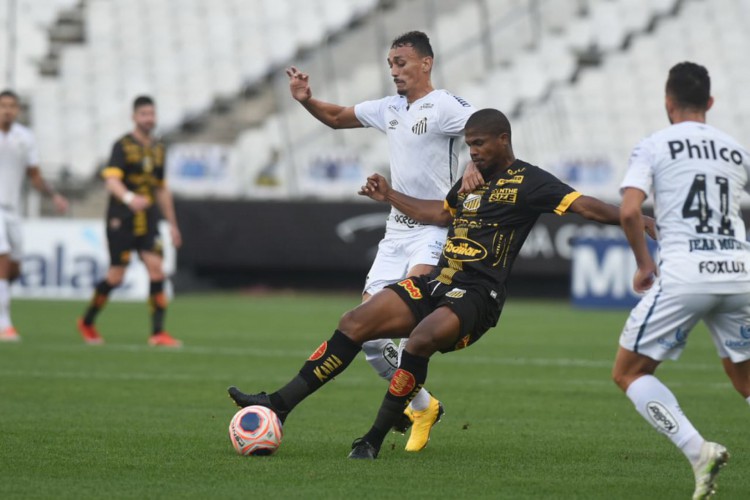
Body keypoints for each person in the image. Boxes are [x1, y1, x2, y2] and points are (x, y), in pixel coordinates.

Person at [228, 108, 654, 459]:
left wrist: (639, 217)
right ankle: (278, 405)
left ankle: (373, 439)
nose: (473, 152)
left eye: (479, 145)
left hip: (478, 296)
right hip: (437, 284)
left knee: (418, 340)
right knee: (354, 321)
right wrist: (390, 195)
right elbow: (439, 214)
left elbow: (587, 207)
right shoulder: (471, 182)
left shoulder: (530, 181)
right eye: (469, 146)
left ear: (503, 140)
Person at [286, 30, 483, 451]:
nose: (394, 70)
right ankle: (424, 406)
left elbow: (486, 125)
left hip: (432, 231)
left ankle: (381, 427)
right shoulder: (391, 108)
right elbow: (338, 116)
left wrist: (472, 162)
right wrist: (306, 100)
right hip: (395, 233)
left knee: (412, 320)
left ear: (426, 63)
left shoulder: (444, 105)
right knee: (371, 335)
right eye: (391, 64)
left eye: (402, 62)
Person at [613, 62, 750, 499]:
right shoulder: (735, 148)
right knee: (746, 381)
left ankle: (698, 451)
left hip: (686, 274)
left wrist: (643, 265)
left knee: (629, 372)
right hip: (738, 273)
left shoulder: (655, 144)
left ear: (668, 103)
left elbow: (630, 211)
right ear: (710, 103)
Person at [77, 95, 183, 347]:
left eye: (152, 114)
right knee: (116, 276)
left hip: (148, 218)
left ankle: (158, 333)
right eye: (144, 114)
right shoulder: (122, 146)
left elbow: (161, 189)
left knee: (157, 269)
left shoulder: (159, 148)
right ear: (134, 117)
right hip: (121, 217)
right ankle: (88, 321)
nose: (149, 118)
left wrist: (172, 224)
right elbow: (111, 180)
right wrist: (129, 197)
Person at [0, 89, 68, 341]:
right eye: (3, 105)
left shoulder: (25, 137)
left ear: (18, 110)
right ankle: (4, 324)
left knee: (14, 267)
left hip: (12, 209)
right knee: (3, 259)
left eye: (11, 106)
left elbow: (35, 176)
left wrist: (54, 195)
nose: (7, 110)